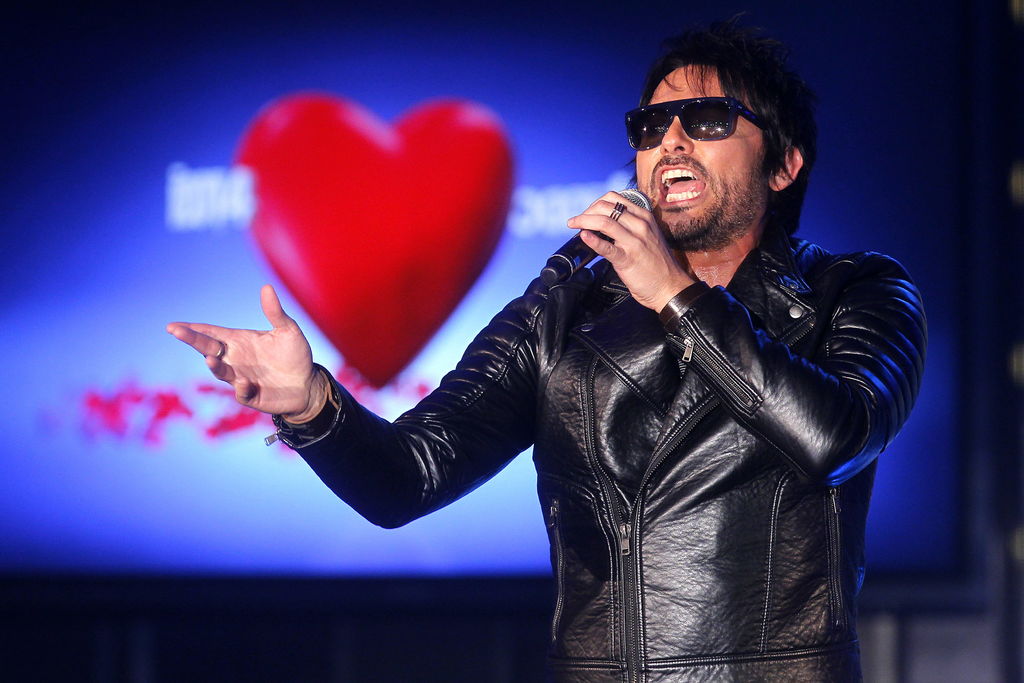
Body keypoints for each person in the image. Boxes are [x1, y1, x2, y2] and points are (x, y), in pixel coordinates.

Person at [167, 20, 925, 682]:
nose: (670, 141)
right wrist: (312, 407)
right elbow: (409, 478)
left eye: (707, 119)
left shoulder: (854, 291)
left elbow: (834, 437)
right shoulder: (565, 307)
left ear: (785, 163)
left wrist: (676, 294)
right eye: (650, 126)